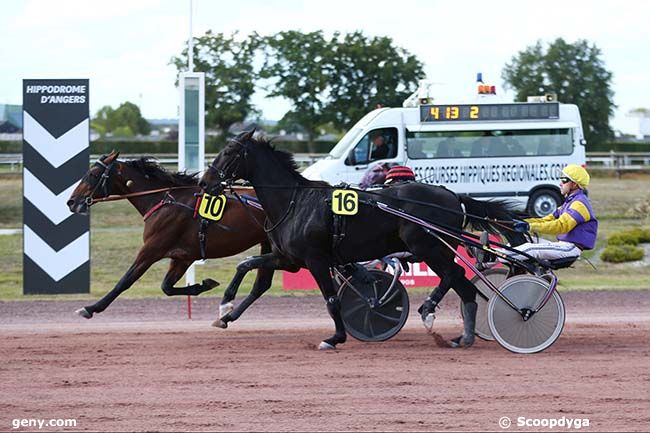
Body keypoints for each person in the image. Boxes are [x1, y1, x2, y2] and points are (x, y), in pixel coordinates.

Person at [508, 164, 598, 263]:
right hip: (562, 245)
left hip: (570, 248)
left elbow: (560, 226)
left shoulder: (579, 204)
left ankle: (495, 258)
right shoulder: (569, 202)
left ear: (574, 184)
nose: (560, 183)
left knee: (530, 249)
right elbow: (546, 219)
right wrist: (520, 222)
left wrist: (530, 227)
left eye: (564, 180)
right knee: (524, 239)